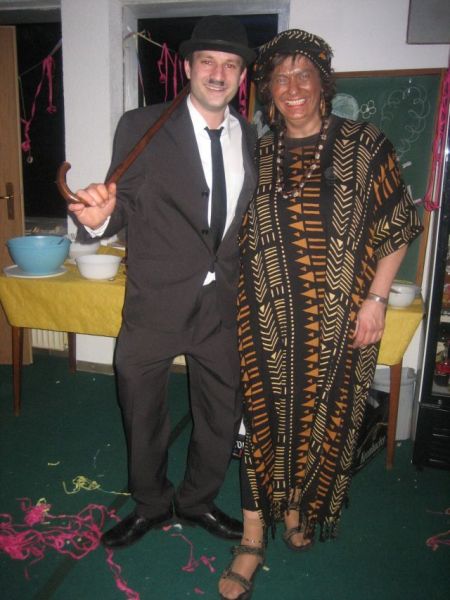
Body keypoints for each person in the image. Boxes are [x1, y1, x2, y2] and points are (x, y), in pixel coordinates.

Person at [218, 29, 422, 600]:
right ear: (267, 90)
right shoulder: (257, 153)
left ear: (323, 83)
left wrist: (376, 299)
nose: (292, 87)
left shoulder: (364, 145)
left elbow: (397, 225)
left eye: (303, 74)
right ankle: (252, 537)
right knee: (261, 420)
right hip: (264, 318)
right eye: (280, 77)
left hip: (338, 319)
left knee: (321, 416)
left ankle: (297, 509)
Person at [68, 15, 257, 549]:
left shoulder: (251, 135)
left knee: (221, 410)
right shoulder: (143, 126)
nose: (218, 73)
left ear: (242, 76)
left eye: (230, 65)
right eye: (208, 62)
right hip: (156, 300)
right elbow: (122, 201)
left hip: (222, 303)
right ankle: (150, 503)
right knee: (141, 406)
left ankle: (197, 501)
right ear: (188, 67)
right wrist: (98, 219)